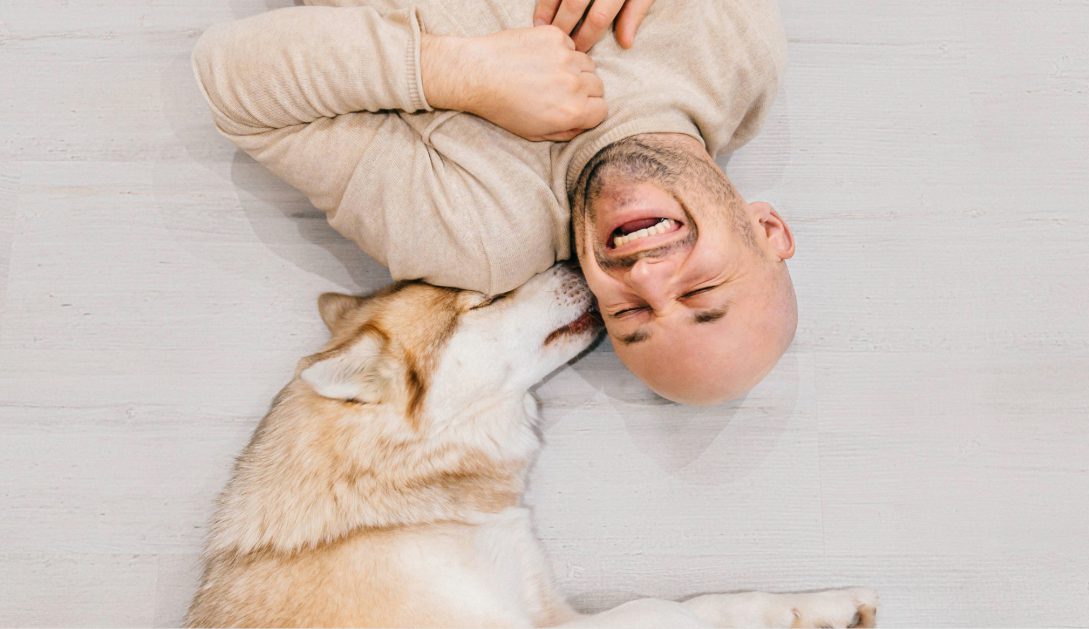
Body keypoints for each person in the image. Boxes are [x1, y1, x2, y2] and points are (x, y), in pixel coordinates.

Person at [192, 0, 794, 405]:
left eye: (630, 315)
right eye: (700, 292)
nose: (647, 278)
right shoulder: (737, 55)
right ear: (767, 229)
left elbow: (232, 83)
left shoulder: (479, 233)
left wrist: (455, 73)